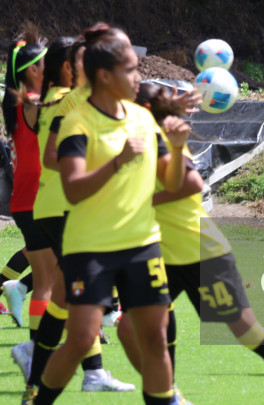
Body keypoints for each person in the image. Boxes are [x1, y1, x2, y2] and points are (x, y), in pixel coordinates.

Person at [112, 82, 264, 405]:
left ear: (143, 111)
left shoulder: (160, 142)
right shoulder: (137, 142)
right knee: (132, 327)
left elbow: (192, 183)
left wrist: (140, 200)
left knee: (246, 331)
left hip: (201, 253)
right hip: (160, 256)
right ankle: (168, 395)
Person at [32, 24, 189, 405]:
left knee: (153, 338)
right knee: (81, 339)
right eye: (132, 69)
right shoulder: (77, 122)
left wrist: (178, 146)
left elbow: (171, 183)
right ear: (105, 76)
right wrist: (119, 161)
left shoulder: (142, 118)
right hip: (91, 248)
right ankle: (36, 399)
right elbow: (73, 187)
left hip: (142, 245)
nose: (140, 76)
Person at [20, 36, 133, 401]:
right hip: (68, 207)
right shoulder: (73, 101)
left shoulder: (44, 103)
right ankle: (51, 367)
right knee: (78, 294)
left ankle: (57, 370)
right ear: (69, 68)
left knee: (65, 294)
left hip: (50, 205)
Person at [2, 25, 53, 338]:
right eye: (45, 64)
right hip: (36, 199)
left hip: (32, 198)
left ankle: (17, 288)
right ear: (33, 70)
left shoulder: (25, 101)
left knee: (55, 271)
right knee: (51, 277)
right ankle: (38, 349)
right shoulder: (33, 102)